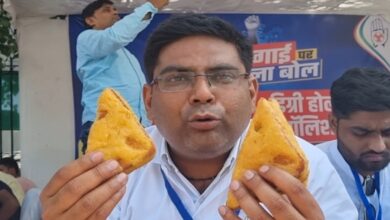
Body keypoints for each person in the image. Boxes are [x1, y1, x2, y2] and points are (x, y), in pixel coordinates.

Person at [39, 14, 357, 219]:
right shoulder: (111, 175)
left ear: (251, 93)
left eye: (223, 76)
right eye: (177, 78)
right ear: (148, 100)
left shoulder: (306, 168)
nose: (203, 93)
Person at [76, 0, 169, 155]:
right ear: (90, 20)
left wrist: (147, 121)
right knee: (107, 175)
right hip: (107, 123)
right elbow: (116, 37)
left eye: (114, 9)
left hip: (135, 126)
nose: (114, 12)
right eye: (107, 10)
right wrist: (151, 6)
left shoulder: (125, 54)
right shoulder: (87, 39)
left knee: (134, 177)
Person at [318, 67, 390, 220]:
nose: (378, 146)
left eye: (388, 132)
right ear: (333, 123)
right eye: (361, 132)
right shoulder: (310, 171)